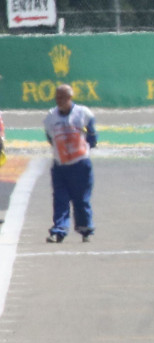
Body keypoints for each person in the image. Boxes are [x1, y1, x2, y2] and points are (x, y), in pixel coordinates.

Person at [43, 83, 96, 243]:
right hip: (60, 166)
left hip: (80, 165)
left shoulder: (83, 114)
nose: (59, 100)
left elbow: (92, 138)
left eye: (63, 97)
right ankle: (58, 230)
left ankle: (85, 229)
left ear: (70, 98)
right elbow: (51, 139)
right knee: (60, 199)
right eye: (57, 97)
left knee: (81, 199)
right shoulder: (50, 117)